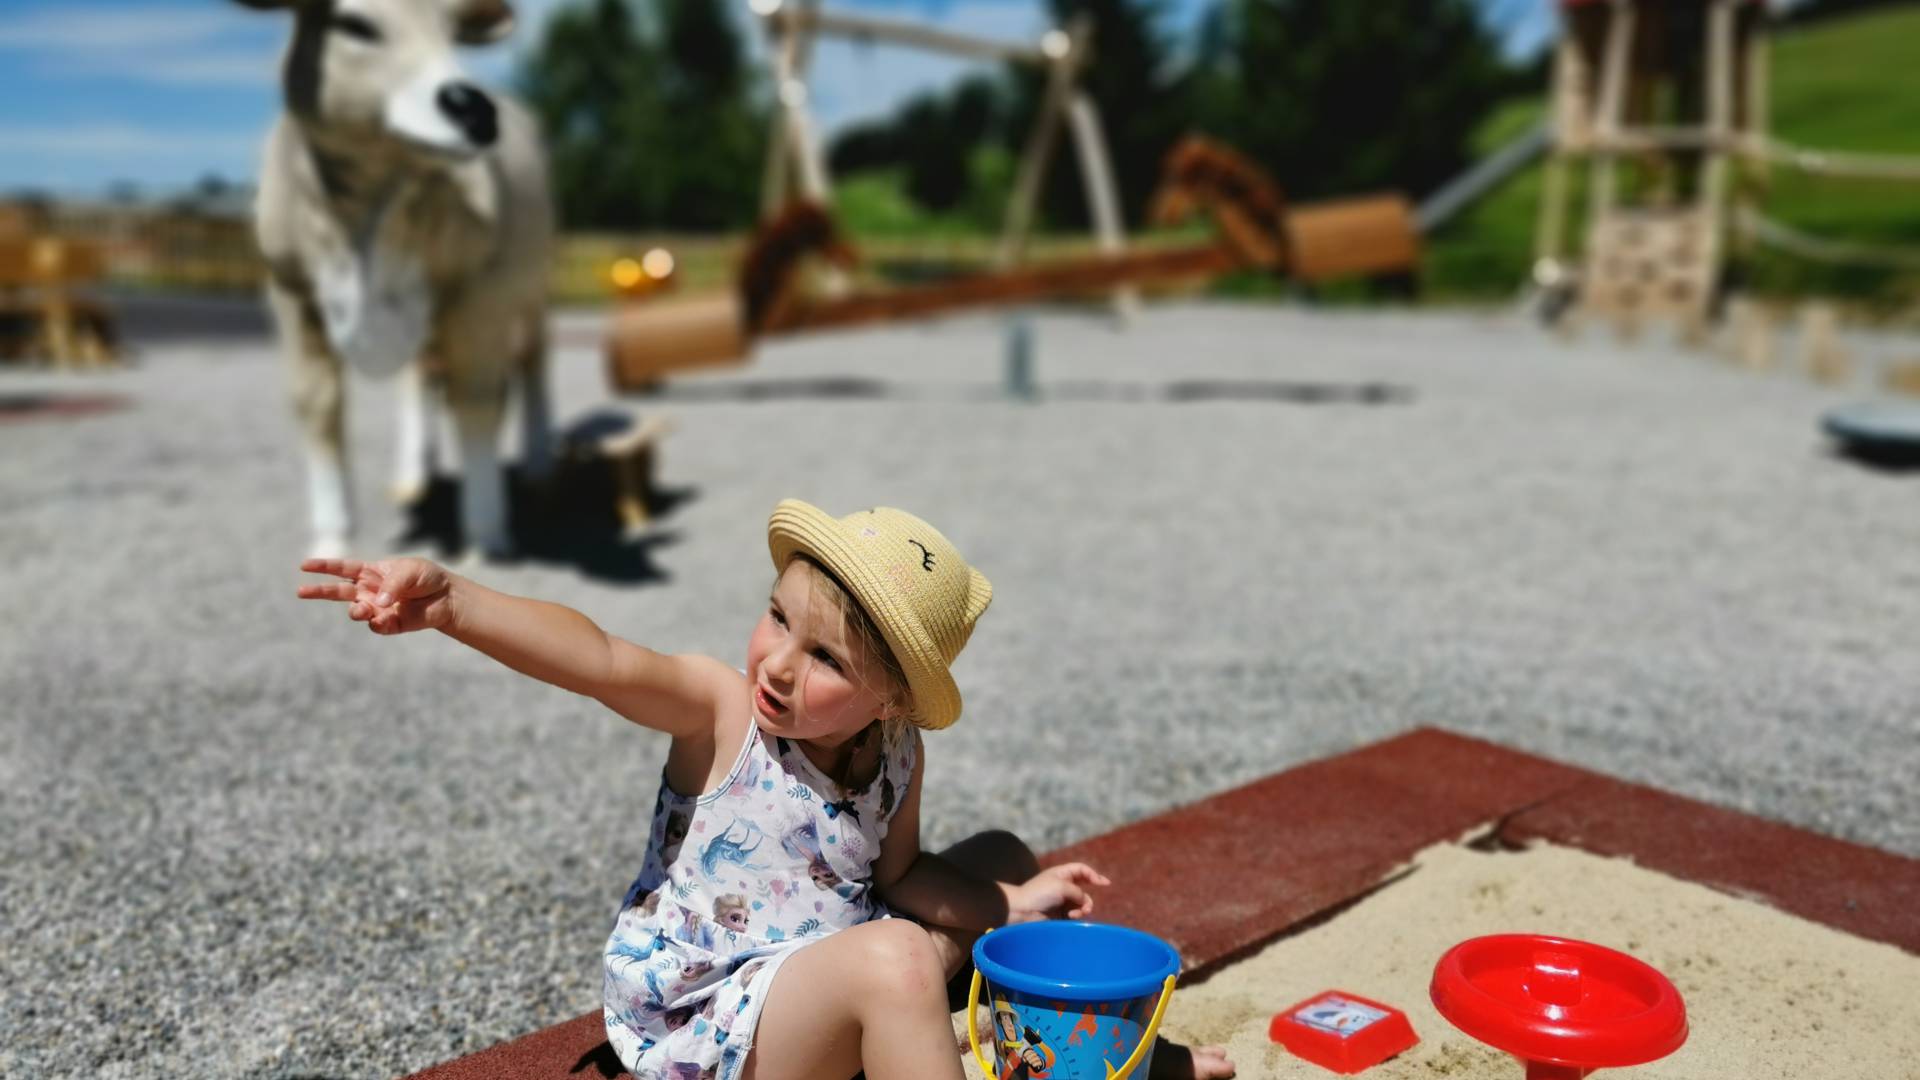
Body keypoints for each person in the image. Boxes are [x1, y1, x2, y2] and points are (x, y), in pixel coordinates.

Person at [297, 500, 1235, 1080]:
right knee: (905, 960)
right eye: (777, 618)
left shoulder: (898, 751)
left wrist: (1009, 901)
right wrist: (455, 602)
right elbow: (598, 658)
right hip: (711, 1028)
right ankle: (953, 1046)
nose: (777, 665)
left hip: (825, 964)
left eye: (823, 656)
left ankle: (1046, 1056)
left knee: (999, 860)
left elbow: (900, 873)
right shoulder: (722, 714)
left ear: (892, 698)